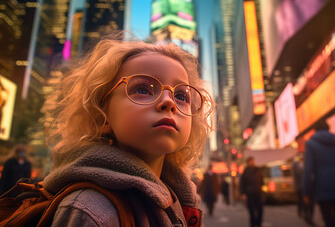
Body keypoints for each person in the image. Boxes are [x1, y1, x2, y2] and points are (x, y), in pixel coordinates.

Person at [42, 35, 214, 226]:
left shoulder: (178, 198)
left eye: (181, 95)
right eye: (143, 89)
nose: (169, 101)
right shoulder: (92, 210)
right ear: (102, 115)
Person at [303, 120, 335, 227]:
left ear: (315, 130)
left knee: (328, 220)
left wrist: (306, 192)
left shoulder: (310, 144)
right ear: (328, 128)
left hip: (322, 187)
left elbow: (308, 169)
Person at [240, 156, 264, 227]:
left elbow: (262, 180)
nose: (252, 162)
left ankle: (258, 223)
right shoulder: (245, 171)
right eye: (251, 161)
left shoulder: (258, 170)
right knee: (251, 211)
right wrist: (243, 194)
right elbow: (242, 183)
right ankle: (253, 224)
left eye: (253, 161)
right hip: (249, 194)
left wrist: (262, 189)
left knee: (260, 210)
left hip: (258, 193)